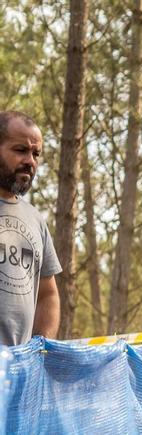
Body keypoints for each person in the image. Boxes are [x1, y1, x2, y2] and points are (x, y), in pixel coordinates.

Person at [0, 111, 60, 346]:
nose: (30, 161)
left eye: (36, 154)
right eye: (20, 150)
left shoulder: (35, 220)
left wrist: (40, 349)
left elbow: (48, 294)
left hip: (16, 376)